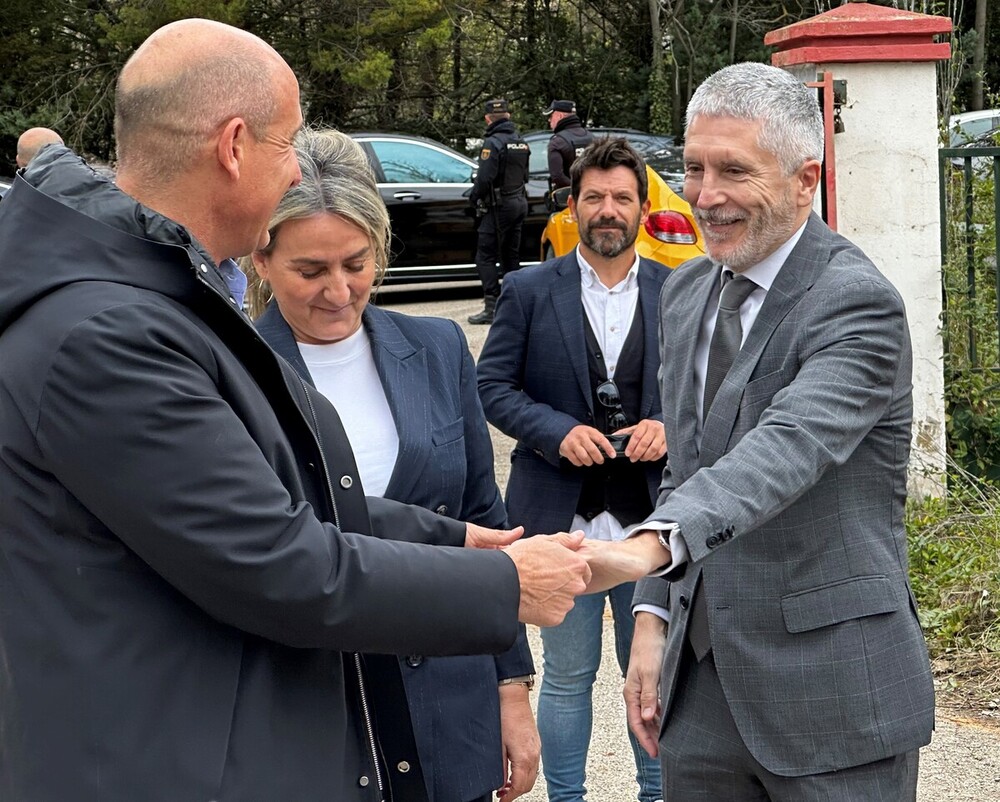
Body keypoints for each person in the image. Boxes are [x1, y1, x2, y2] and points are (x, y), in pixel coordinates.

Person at [0, 19, 593, 801]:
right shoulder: (111, 333)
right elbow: (276, 563)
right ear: (234, 146)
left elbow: (280, 498)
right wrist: (503, 586)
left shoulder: (147, 299)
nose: (296, 173)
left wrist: (455, 539)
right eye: (289, 146)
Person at [573, 62, 936, 801]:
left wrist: (644, 549)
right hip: (701, 691)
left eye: (734, 170)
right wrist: (651, 613)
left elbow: (783, 451)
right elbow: (687, 467)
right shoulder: (685, 290)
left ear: (806, 179)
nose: (705, 196)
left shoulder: (855, 303)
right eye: (694, 167)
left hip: (832, 694)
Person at [246, 127, 541, 802]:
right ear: (262, 260)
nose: (339, 290)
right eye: (311, 271)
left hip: (447, 695)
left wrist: (511, 685)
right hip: (312, 706)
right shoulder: (232, 369)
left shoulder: (437, 347)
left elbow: (482, 521)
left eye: (356, 263)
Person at [477, 137, 665, 802]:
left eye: (621, 197)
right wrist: (556, 432)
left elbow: (708, 397)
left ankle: (656, 796)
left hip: (652, 524)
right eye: (595, 198)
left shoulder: (682, 290)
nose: (607, 210)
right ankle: (568, 799)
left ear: (643, 206)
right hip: (564, 525)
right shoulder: (529, 291)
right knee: (565, 676)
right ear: (572, 206)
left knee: (653, 674)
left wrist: (668, 425)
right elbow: (492, 386)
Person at [468, 97, 530, 325]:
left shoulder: (492, 144)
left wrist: (474, 199)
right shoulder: (521, 143)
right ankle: (515, 305)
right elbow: (525, 176)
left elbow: (485, 179)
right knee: (511, 255)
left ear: (487, 119)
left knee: (485, 256)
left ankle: (491, 308)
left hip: (498, 206)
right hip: (518, 203)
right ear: (508, 116)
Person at [544, 99, 593, 191]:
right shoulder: (592, 138)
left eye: (551, 116)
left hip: (568, 198)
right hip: (592, 195)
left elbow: (557, 176)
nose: (549, 120)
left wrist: (577, 189)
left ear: (560, 116)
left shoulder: (557, 142)